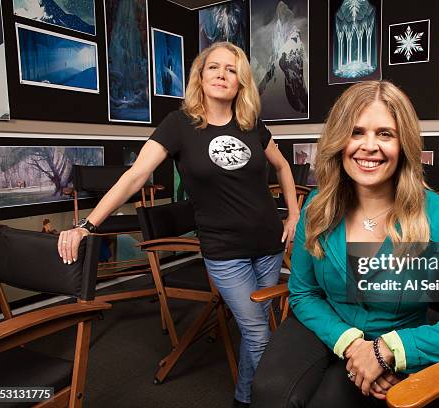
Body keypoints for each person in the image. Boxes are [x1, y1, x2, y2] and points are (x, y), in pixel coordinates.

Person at [57, 41, 299, 408]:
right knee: (259, 335)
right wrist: (86, 226)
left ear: (241, 82)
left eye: (231, 70)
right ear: (199, 76)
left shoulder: (251, 124)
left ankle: (244, 398)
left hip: (268, 244)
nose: (222, 74)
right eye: (214, 67)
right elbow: (135, 176)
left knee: (255, 331)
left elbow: (282, 167)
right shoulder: (179, 125)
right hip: (225, 252)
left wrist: (293, 215)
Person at [251, 81, 439, 407]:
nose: (369, 146)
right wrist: (351, 343)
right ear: (340, 141)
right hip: (322, 322)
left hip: (393, 334)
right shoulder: (316, 205)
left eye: (385, 133)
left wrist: (390, 350)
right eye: (356, 132)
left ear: (404, 144)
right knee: (270, 392)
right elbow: (303, 293)